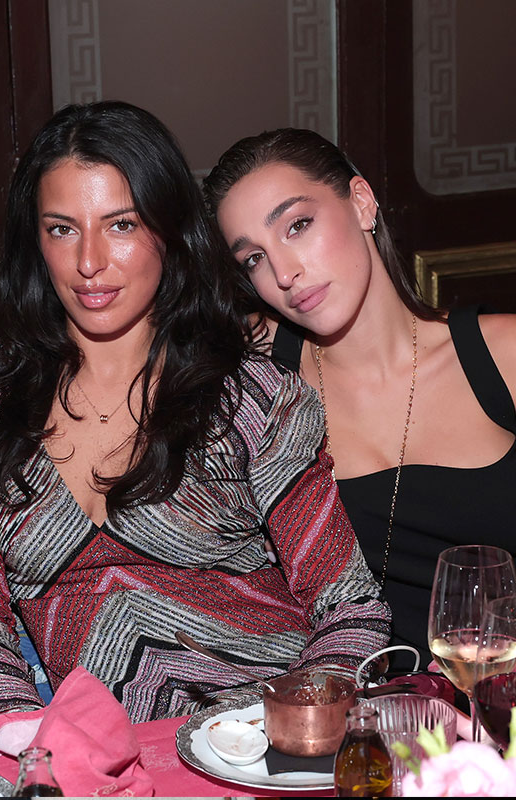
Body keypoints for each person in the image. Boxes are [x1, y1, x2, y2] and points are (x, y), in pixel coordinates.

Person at [0, 101, 390, 730]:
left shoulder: (247, 397)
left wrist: (290, 732)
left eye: (120, 225)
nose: (89, 261)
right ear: (34, 241)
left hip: (260, 748)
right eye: (62, 228)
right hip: (94, 765)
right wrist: (31, 742)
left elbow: (351, 607)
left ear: (169, 231)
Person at [204, 127, 516, 671]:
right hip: (348, 723)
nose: (283, 273)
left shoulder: (503, 354)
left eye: (298, 225)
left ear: (363, 202)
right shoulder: (255, 382)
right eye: (253, 258)